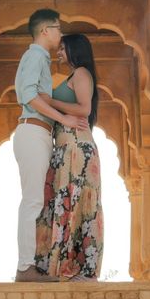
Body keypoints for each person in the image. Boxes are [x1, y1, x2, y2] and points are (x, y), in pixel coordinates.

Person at [13, 9, 89, 283]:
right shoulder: (35, 55)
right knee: (32, 201)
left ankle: (30, 265)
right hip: (33, 131)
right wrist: (64, 118)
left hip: (38, 133)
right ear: (46, 30)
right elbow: (28, 94)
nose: (60, 33)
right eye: (58, 28)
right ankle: (24, 268)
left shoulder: (40, 59)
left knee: (37, 202)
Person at [34, 33, 104, 281]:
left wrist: (50, 101)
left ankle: (81, 268)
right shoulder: (73, 76)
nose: (59, 53)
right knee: (63, 203)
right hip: (66, 148)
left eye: (63, 49)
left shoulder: (82, 73)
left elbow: (84, 109)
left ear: (75, 50)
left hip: (77, 149)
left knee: (78, 204)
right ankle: (59, 266)